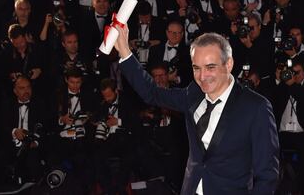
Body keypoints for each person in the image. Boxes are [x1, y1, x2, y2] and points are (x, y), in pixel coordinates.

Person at [114, 26, 279, 194]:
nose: (202, 76)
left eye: (210, 67)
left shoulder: (255, 107)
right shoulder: (194, 93)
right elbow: (153, 93)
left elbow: (267, 175)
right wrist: (125, 51)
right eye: (196, 68)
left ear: (228, 64)